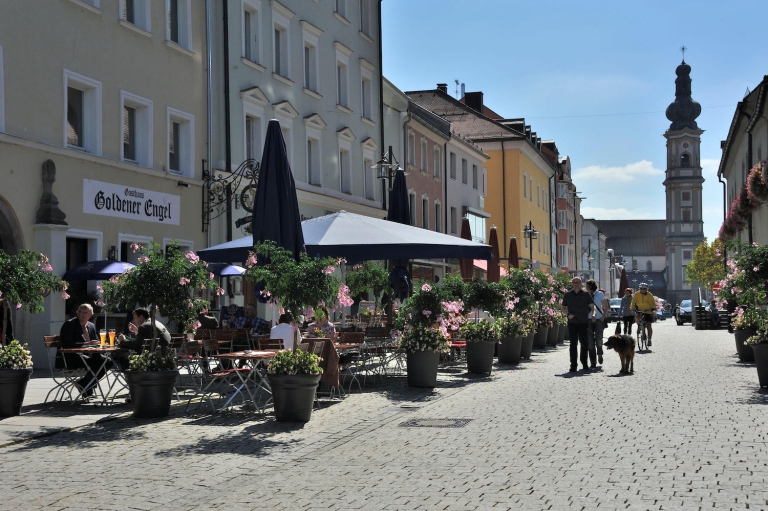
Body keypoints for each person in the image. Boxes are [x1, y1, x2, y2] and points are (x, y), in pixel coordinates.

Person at [59, 303, 112, 396]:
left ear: (91, 315)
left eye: (86, 313)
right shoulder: (70, 324)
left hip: (88, 355)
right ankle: (88, 385)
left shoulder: (91, 326)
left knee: (108, 362)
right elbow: (67, 344)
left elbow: (94, 341)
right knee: (97, 363)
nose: (83, 315)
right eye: (81, 312)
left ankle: (84, 383)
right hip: (72, 357)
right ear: (77, 313)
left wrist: (100, 344)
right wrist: (87, 344)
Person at [561, 277, 596, 372]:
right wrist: (568, 314)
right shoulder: (567, 295)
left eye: (578, 282)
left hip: (583, 322)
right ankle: (573, 365)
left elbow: (592, 306)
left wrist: (593, 314)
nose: (576, 284)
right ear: (572, 284)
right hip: (572, 323)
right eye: (574, 282)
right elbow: (563, 308)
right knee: (573, 344)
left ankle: (584, 363)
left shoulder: (586, 294)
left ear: (581, 283)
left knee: (584, 344)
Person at [586, 279, 609, 369]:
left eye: (587, 286)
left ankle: (599, 354)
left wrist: (603, 316)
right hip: (588, 320)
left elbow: (606, 306)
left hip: (599, 320)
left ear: (591, 286)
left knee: (599, 340)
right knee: (590, 342)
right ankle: (593, 361)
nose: (585, 287)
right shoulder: (585, 294)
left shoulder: (600, 294)